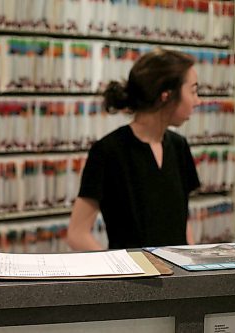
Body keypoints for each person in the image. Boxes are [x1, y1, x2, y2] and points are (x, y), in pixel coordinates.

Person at [67, 48, 201, 251]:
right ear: (166, 95)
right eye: (192, 91)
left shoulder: (179, 146)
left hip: (177, 279)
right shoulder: (107, 151)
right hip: (131, 280)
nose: (198, 101)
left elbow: (183, 224)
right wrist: (120, 270)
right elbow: (77, 234)